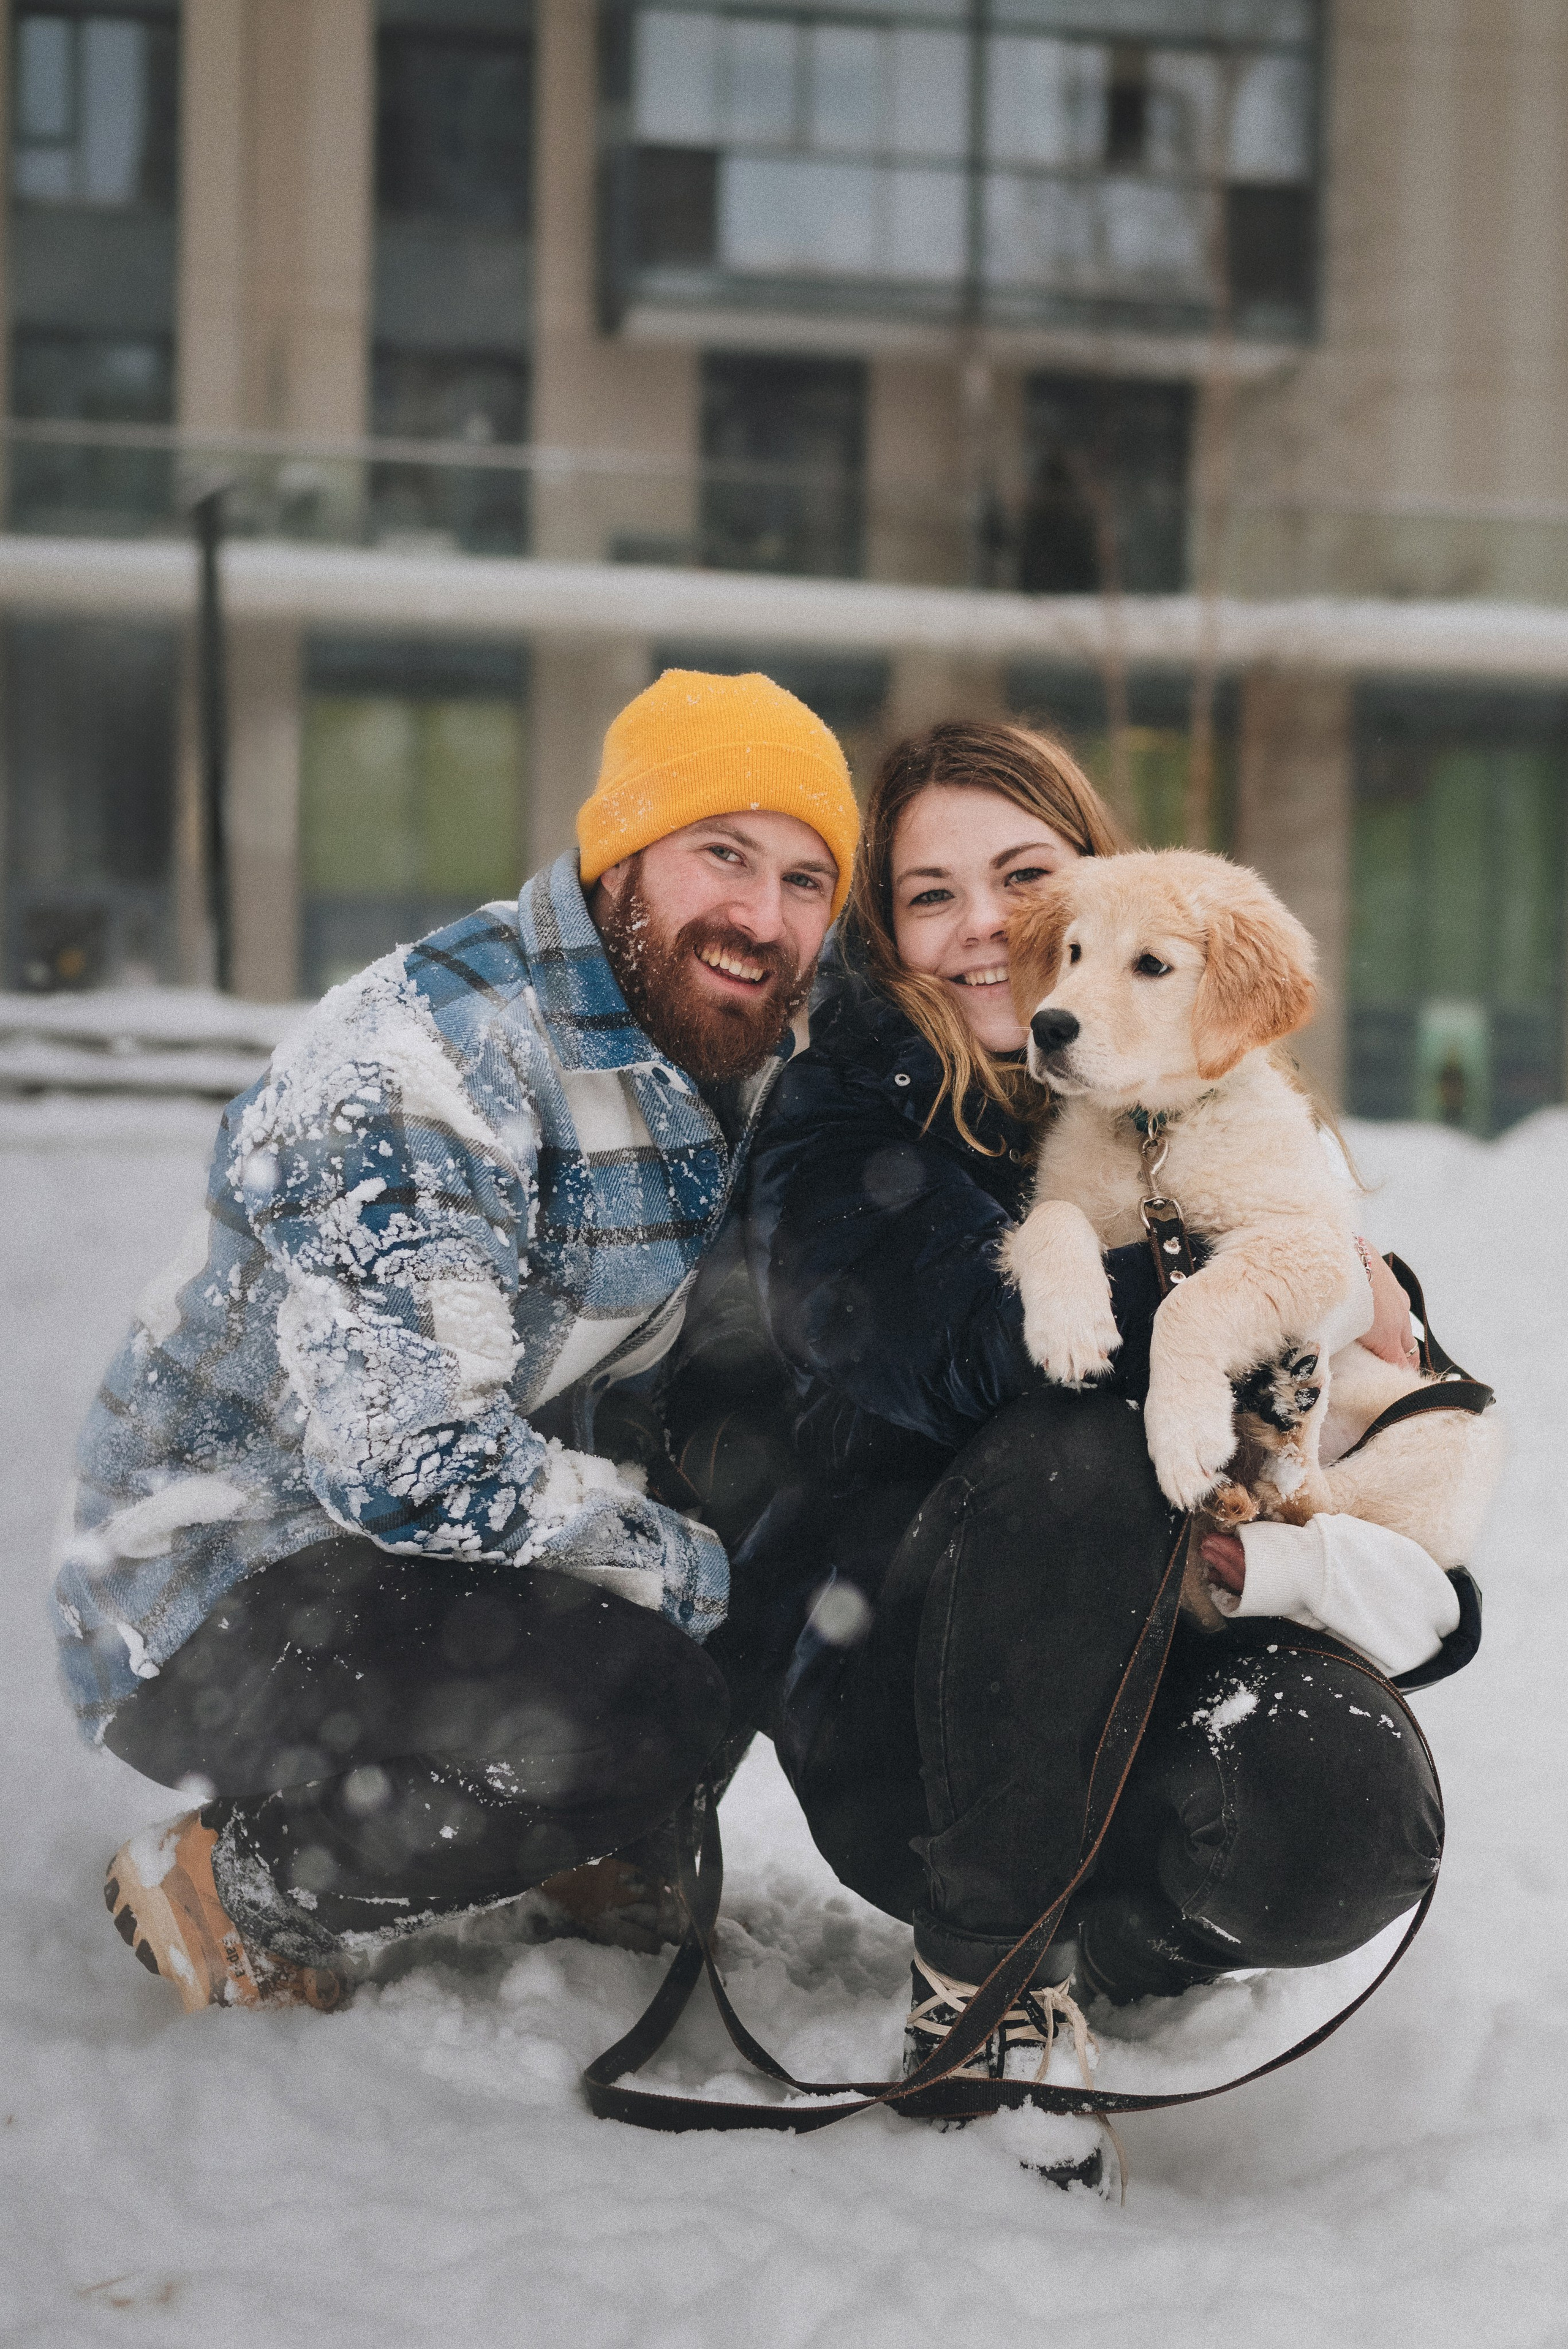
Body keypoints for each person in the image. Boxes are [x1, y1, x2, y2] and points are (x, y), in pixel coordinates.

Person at [58, 668, 860, 2011]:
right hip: (215, 1580)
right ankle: (237, 1884)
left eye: (803, 880)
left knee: (781, 1477)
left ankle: (586, 1829)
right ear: (619, 858)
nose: (760, 916)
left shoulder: (712, 1036)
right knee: (654, 1684)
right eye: (721, 854)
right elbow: (406, 1460)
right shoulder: (428, 1057)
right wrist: (683, 1565)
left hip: (400, 1554)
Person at [728, 719, 1470, 2128]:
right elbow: (971, 1347)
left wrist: (1327, 1322)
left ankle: (1126, 1946)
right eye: (929, 894)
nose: (987, 926)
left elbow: (1391, 1427)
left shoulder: (1213, 1092)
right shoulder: (840, 1121)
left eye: (1022, 876)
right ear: (882, 932)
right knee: (1079, 1438)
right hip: (906, 1714)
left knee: (1345, 1812)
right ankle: (985, 1977)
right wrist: (1273, 1282)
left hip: (1142, 1682)